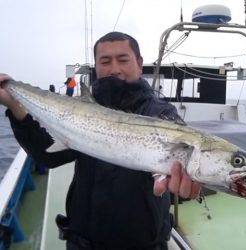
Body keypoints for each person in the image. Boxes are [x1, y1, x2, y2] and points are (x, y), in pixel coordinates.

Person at [0, 32, 201, 250]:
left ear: (140, 63)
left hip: (144, 245)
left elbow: (179, 147)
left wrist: (182, 178)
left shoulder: (161, 113)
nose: (114, 69)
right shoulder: (80, 112)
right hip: (82, 242)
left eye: (123, 59)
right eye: (105, 61)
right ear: (96, 67)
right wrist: (15, 106)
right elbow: (48, 156)